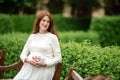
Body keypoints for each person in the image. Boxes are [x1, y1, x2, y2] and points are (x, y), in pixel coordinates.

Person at [13, 10, 62, 80]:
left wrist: (45, 64)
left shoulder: (52, 38)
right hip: (29, 67)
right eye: (43, 20)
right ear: (38, 21)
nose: (45, 23)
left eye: (48, 22)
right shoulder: (32, 36)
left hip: (45, 69)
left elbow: (59, 58)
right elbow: (23, 54)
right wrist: (28, 60)